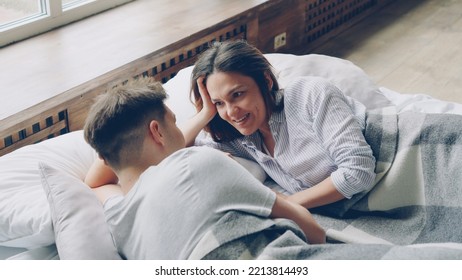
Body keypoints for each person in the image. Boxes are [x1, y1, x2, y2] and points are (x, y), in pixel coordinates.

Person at [83, 77, 325, 259]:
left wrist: (206, 114)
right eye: (175, 122)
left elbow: (96, 181)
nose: (180, 130)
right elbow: (314, 231)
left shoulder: (117, 216)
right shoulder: (197, 162)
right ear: (157, 131)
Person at [181, 40, 376, 210]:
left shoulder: (309, 93)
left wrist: (287, 204)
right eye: (219, 103)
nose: (231, 112)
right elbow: (174, 153)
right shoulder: (241, 139)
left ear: (266, 81)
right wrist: (205, 114)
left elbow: (358, 169)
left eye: (238, 94)